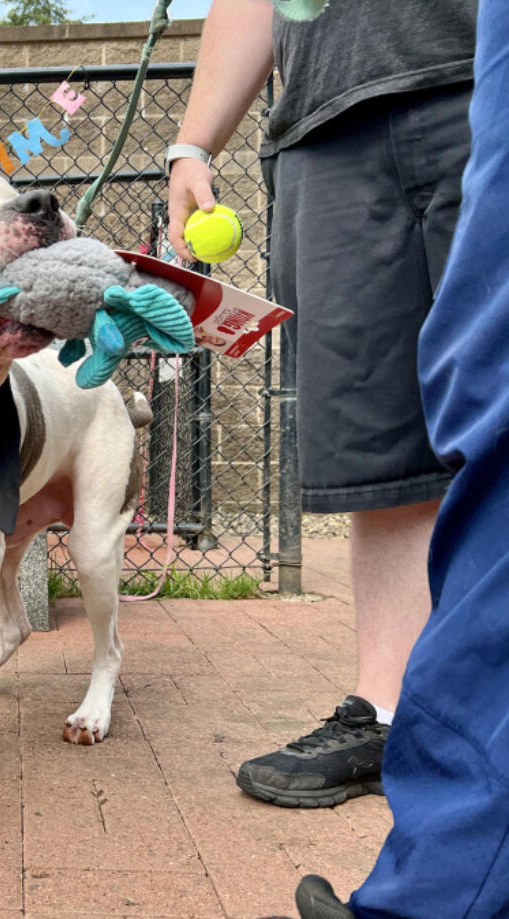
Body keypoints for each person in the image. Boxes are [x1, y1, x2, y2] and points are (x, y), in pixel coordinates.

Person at [166, 0, 475, 809]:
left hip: (481, 84)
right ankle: (387, 712)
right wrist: (192, 144)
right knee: (376, 442)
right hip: (323, 128)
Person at [271, 0, 509, 912]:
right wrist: (190, 142)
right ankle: (390, 720)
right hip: (334, 112)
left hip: (464, 74)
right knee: (412, 437)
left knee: (486, 417)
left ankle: (444, 877)